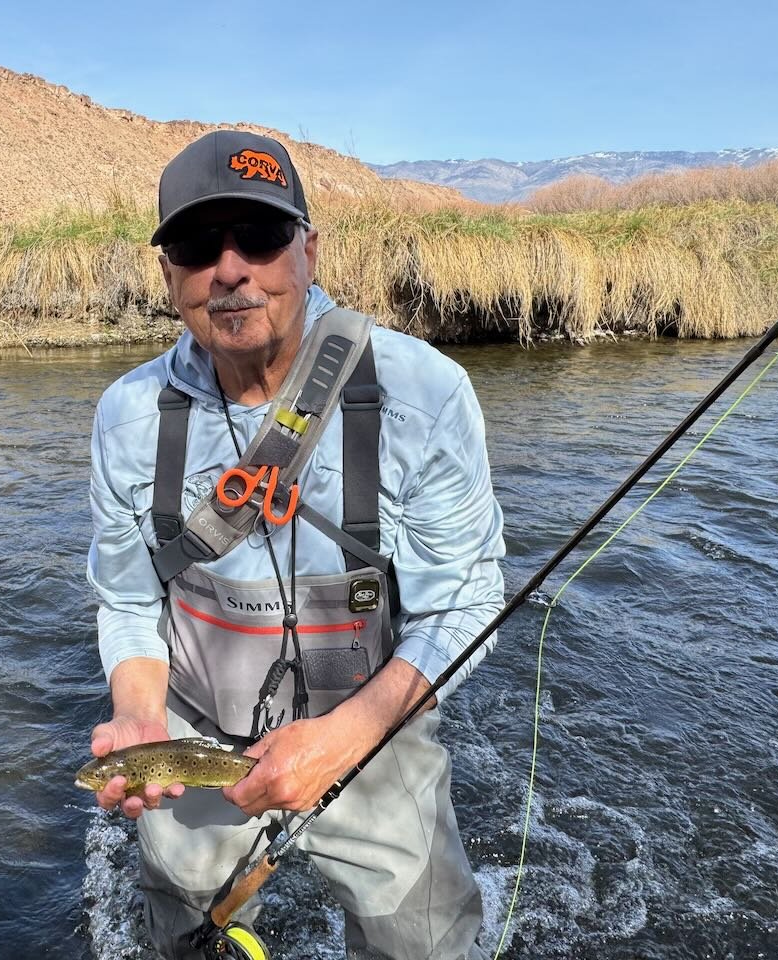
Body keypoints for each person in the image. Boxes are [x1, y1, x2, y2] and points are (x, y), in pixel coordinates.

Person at [85, 129, 505, 960]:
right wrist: (137, 714)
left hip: (373, 725)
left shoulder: (424, 393)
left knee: (422, 944)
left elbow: (464, 605)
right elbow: (129, 599)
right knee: (187, 935)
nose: (229, 269)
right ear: (169, 275)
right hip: (197, 741)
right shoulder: (126, 417)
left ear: (308, 251)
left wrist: (347, 736)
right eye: (197, 247)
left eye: (260, 236)